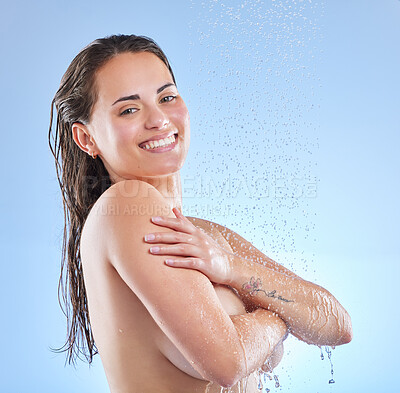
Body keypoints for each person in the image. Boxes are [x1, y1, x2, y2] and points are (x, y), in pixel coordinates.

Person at [48, 34, 352, 393]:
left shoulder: (206, 237)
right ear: (86, 139)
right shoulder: (125, 205)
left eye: (167, 97)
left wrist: (231, 267)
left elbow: (336, 324)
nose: (158, 119)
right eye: (129, 109)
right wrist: (279, 316)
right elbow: (228, 361)